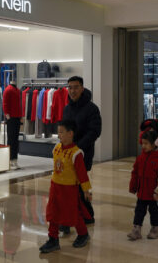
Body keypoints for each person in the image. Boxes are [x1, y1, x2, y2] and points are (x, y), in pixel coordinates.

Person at [40, 120, 92, 253]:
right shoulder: (56, 148)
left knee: (73, 213)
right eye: (58, 132)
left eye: (61, 132)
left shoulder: (76, 153)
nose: (59, 135)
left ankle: (83, 234)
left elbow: (82, 174)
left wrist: (87, 190)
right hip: (55, 186)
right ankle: (53, 239)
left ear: (71, 134)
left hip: (69, 189)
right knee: (53, 212)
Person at [62, 76, 102, 227]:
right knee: (71, 185)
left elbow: (95, 131)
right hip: (67, 155)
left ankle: (86, 215)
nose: (72, 91)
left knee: (80, 185)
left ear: (82, 88)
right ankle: (82, 215)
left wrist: (77, 148)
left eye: (76, 87)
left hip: (82, 154)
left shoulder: (92, 109)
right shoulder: (67, 108)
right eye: (70, 87)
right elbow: (64, 130)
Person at [128, 130, 158, 241]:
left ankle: (155, 229)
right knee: (139, 211)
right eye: (142, 143)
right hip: (142, 192)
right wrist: (133, 186)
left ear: (154, 143)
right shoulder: (140, 158)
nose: (143, 146)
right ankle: (136, 229)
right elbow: (135, 173)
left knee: (154, 211)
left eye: (146, 143)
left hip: (154, 194)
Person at [3, 81, 22, 169]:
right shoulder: (8, 90)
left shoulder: (17, 90)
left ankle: (15, 159)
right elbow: (5, 103)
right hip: (11, 118)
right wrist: (7, 114)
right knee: (11, 139)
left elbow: (19, 105)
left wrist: (21, 116)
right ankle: (10, 160)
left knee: (16, 139)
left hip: (17, 117)